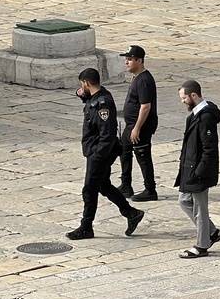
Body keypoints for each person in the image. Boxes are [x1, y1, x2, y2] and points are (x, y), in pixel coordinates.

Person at [67, 68, 145, 240]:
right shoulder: (98, 97)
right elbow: (90, 102)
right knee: (103, 185)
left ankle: (86, 226)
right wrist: (82, 95)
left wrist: (97, 157)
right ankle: (131, 213)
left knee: (89, 189)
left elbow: (107, 134)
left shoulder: (103, 104)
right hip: (95, 150)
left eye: (82, 85)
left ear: (86, 83)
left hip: (100, 153)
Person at [175, 80, 220, 259]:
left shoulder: (205, 117)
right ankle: (211, 232)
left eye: (184, 98)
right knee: (184, 201)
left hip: (199, 172)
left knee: (200, 209)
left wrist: (199, 173)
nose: (183, 102)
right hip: (190, 169)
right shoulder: (195, 114)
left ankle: (202, 245)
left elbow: (209, 148)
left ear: (193, 96)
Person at [118, 45, 159, 201]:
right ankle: (126, 185)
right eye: (126, 59)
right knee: (123, 150)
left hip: (140, 126)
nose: (126, 63)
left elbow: (145, 106)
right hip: (131, 125)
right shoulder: (137, 77)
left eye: (129, 59)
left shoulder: (144, 80)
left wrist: (137, 128)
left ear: (139, 61)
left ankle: (150, 189)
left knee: (142, 155)